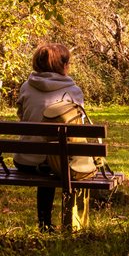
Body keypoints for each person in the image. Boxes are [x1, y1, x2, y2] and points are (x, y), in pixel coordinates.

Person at [13, 42, 84, 232]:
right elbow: (77, 128)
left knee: (48, 161)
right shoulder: (73, 91)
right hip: (55, 164)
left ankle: (45, 224)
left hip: (24, 161)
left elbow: (22, 116)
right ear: (63, 65)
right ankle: (59, 224)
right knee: (57, 163)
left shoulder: (26, 87)